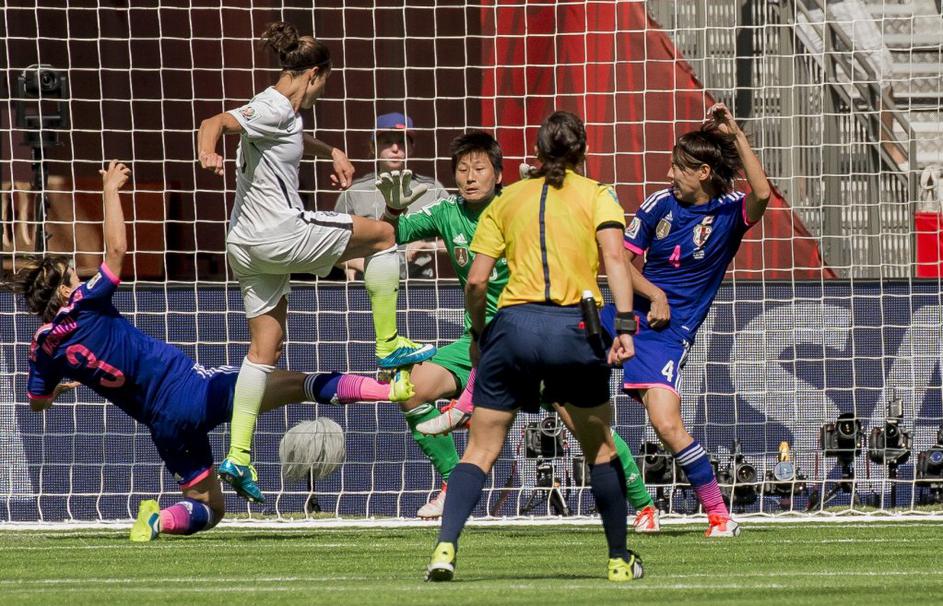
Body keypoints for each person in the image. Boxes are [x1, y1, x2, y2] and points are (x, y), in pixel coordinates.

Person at [2, 161, 414, 542]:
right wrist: (111, 189)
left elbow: (36, 402)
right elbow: (116, 254)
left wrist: (60, 390)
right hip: (190, 389)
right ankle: (388, 391)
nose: (80, 273)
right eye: (73, 273)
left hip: (163, 425)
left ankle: (157, 520)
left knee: (209, 508)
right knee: (295, 383)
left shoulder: (42, 348)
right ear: (62, 290)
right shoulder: (85, 303)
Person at [196, 21, 434, 503]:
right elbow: (218, 121)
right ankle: (388, 346)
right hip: (280, 233)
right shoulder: (274, 104)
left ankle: (238, 456)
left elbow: (285, 135)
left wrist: (333, 150)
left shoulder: (282, 110)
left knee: (266, 347)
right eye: (327, 82)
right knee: (384, 234)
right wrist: (208, 152)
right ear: (315, 75)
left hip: (243, 244)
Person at [425, 111, 644, 583]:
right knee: (601, 449)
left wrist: (482, 335)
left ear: (537, 155)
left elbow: (478, 280)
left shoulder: (508, 200)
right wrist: (624, 325)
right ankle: (618, 559)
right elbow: (613, 258)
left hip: (512, 329)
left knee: (479, 451)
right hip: (574, 328)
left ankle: (445, 549)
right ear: (582, 152)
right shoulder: (598, 195)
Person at [608, 102, 772, 538]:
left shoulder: (729, 212)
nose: (668, 175)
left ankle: (719, 515)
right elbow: (618, 265)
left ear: (702, 172)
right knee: (552, 361)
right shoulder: (659, 205)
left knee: (666, 423)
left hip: (666, 334)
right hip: (624, 312)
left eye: (678, 168)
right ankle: (472, 400)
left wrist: (736, 135)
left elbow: (762, 195)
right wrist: (655, 292)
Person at [335, 113, 449, 280]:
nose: (395, 148)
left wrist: (428, 245)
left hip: (421, 283)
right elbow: (332, 243)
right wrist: (351, 263)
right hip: (369, 282)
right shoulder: (355, 192)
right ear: (373, 147)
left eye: (402, 142)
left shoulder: (431, 189)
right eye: (387, 142)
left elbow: (461, 237)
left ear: (410, 148)